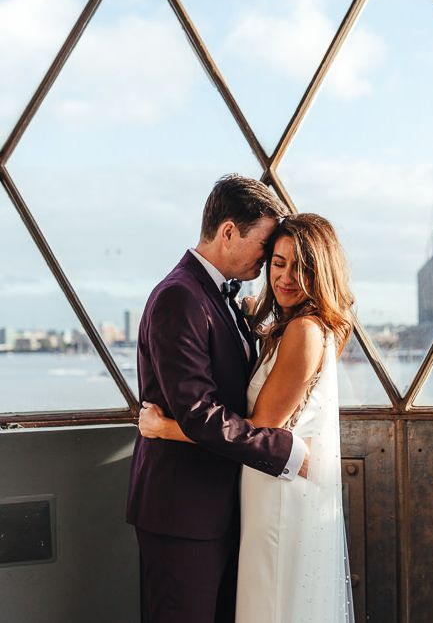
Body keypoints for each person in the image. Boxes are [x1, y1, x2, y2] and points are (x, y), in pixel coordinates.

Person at [139, 213, 356, 622]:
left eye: (303, 267)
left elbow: (261, 425)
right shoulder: (285, 325)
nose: (286, 277)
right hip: (252, 490)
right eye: (277, 262)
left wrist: (164, 427)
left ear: (323, 271)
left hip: (275, 493)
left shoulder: (305, 331)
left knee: (270, 603)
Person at [126, 175, 309, 623]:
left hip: (218, 507)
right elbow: (199, 414)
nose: (267, 260)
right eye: (265, 246)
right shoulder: (179, 297)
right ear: (228, 232)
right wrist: (281, 451)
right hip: (183, 511)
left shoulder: (221, 296)